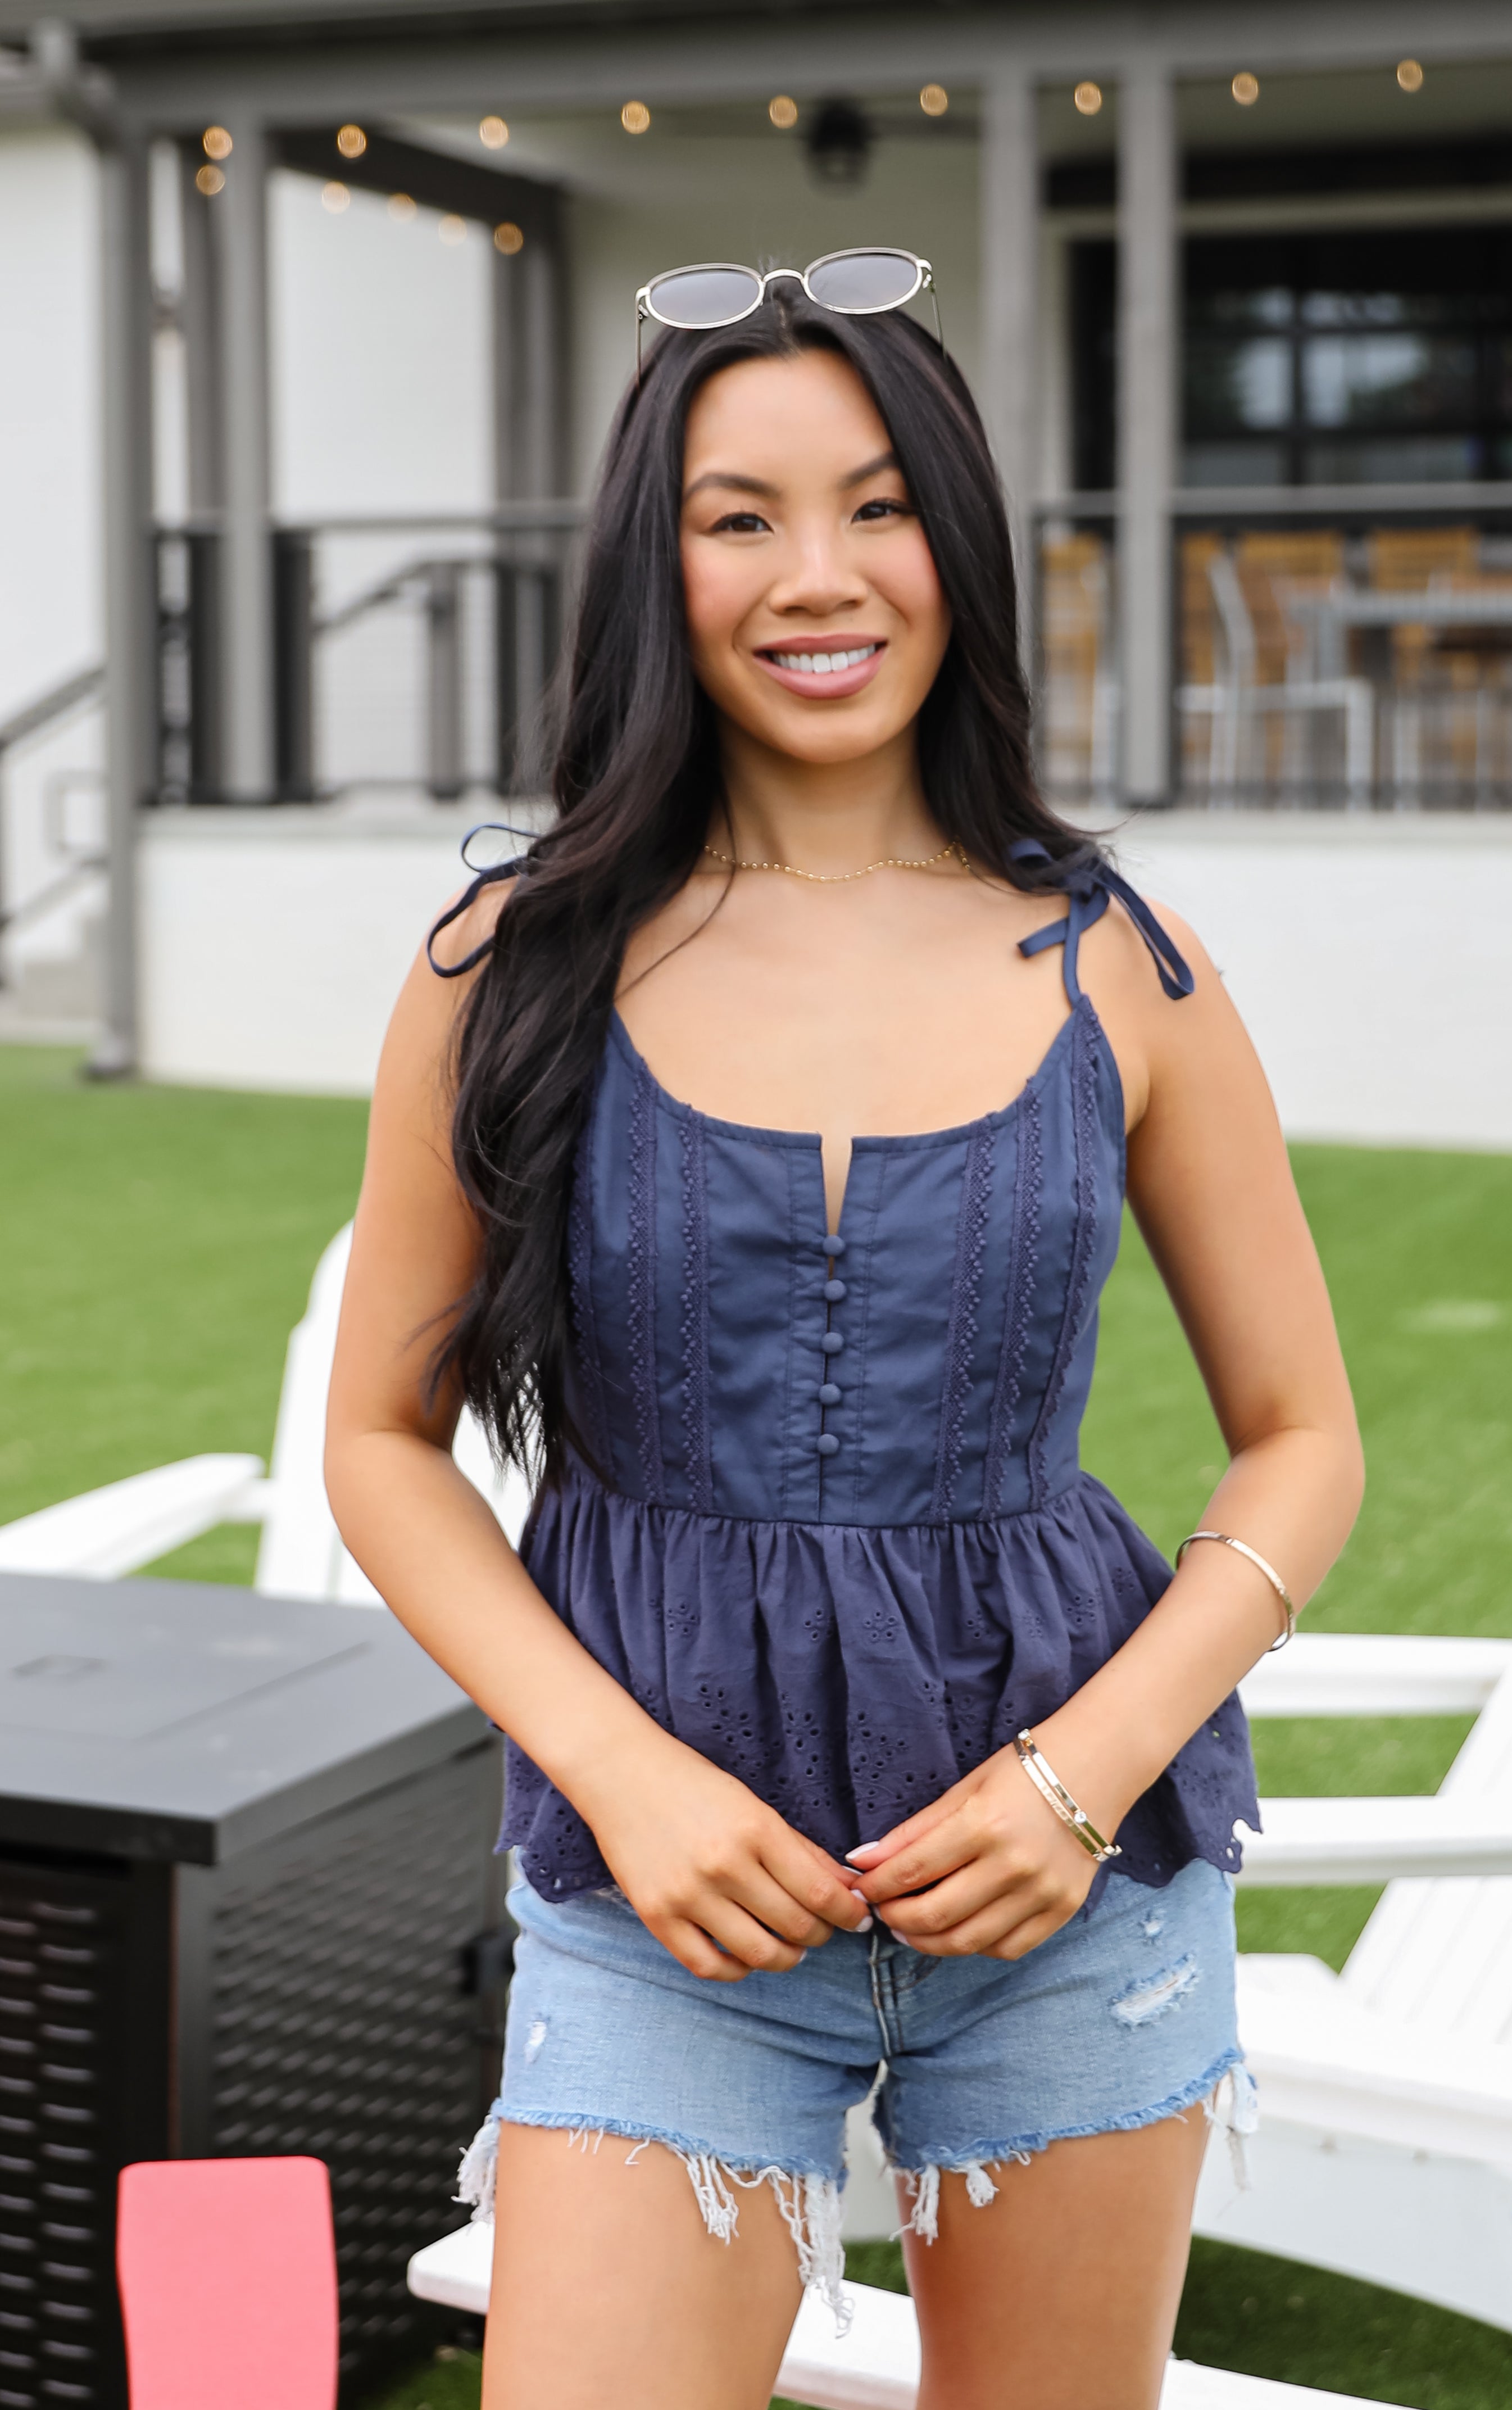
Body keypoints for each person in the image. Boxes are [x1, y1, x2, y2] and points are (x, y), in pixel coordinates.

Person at [325, 256, 1363, 2410]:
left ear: (955, 542)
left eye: (878, 506)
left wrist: (1081, 1780)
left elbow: (1302, 1437)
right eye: (742, 518)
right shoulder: (506, 964)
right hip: (662, 1906)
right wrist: (620, 1774)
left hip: (1070, 1900)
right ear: (657, 563)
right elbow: (383, 1443)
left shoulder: (1122, 963)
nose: (821, 575)